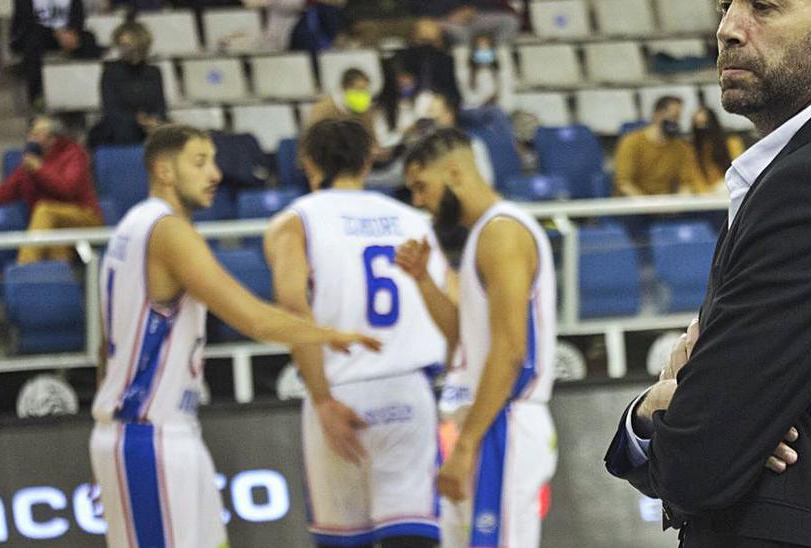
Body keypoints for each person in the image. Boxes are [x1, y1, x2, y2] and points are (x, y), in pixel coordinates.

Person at [603, 0, 811, 544]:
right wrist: (664, 410)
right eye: (725, 6)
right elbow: (713, 431)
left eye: (763, 7)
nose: (727, 28)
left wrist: (682, 413)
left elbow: (698, 460)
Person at [89, 124, 380, 548]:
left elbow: (105, 348)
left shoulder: (130, 227)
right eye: (200, 162)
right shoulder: (169, 232)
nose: (216, 175)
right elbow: (253, 318)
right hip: (149, 436)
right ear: (164, 171)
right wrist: (327, 333)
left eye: (214, 162)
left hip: (154, 432)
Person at [266, 118, 450, 547]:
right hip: (408, 392)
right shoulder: (413, 220)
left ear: (307, 161)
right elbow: (448, 303)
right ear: (370, 160)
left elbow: (294, 308)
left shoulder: (293, 223)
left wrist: (322, 398)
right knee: (414, 536)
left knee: (342, 540)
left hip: (338, 389)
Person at [396, 127, 557, 548]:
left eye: (420, 186)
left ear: (453, 172)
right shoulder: (483, 235)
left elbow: (509, 352)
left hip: (503, 422)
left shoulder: (501, 233)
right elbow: (465, 339)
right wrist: (423, 282)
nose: (418, 201)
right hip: (486, 418)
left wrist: (467, 444)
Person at [0, 116, 103, 264]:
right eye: (31, 134)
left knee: (44, 210)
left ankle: (24, 268)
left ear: (52, 138)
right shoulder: (31, 161)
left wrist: (39, 169)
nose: (31, 139)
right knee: (54, 241)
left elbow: (67, 190)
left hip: (84, 217)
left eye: (37, 135)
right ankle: (60, 282)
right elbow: (7, 190)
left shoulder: (74, 155)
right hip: (55, 225)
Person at [89, 19, 167, 148]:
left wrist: (154, 120)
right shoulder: (111, 72)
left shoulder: (154, 72)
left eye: (131, 45)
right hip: (120, 126)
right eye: (123, 46)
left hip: (150, 125)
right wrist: (137, 120)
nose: (128, 50)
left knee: (166, 132)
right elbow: (110, 109)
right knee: (122, 130)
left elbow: (161, 106)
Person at [12, 0, 101, 108]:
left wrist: (72, 32)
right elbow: (25, 21)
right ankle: (37, 95)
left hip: (68, 33)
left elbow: (79, 15)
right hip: (37, 33)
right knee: (33, 42)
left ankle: (89, 91)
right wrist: (57, 33)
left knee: (89, 39)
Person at [613, 96, 704, 197]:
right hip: (635, 207)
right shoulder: (631, 142)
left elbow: (685, 182)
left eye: (678, 118)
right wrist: (647, 205)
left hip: (667, 206)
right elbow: (624, 183)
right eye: (674, 117)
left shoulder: (681, 147)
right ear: (657, 115)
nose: (676, 123)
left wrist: (682, 201)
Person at [688, 106, 747, 195]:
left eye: (705, 124)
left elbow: (738, 169)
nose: (702, 130)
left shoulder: (732, 143)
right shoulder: (692, 150)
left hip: (729, 188)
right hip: (705, 194)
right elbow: (695, 176)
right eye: (698, 126)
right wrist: (705, 192)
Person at [414, 0, 520, 46]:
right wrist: (449, 16)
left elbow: (486, 4)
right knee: (458, 32)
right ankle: (464, 71)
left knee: (509, 21)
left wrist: (470, 10)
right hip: (441, 20)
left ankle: (501, 63)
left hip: (473, 15)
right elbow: (419, 9)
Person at [455, 34, 515, 110]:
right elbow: (468, 96)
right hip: (474, 111)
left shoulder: (499, 73)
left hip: (496, 110)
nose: (483, 51)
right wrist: (485, 99)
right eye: (480, 48)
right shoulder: (467, 73)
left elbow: (506, 95)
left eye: (487, 48)